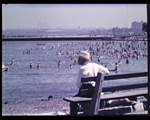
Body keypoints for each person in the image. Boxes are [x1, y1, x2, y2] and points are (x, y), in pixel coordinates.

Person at [70, 50, 110, 115]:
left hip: (86, 94)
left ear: (83, 59)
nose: (78, 60)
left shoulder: (83, 68)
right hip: (96, 92)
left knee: (72, 102)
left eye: (79, 59)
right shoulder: (96, 65)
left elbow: (78, 85)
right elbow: (107, 72)